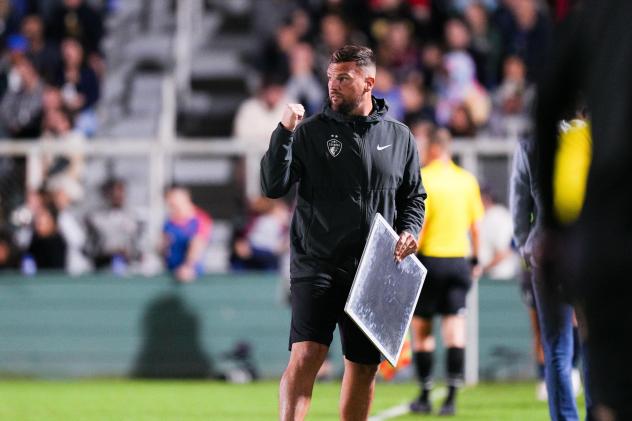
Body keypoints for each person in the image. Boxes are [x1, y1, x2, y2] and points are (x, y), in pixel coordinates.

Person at [261, 45, 426, 421]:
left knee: (363, 367)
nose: (333, 85)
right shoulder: (309, 133)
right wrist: (284, 132)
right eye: (331, 77)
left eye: (343, 78)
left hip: (374, 268)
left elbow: (414, 197)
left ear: (369, 81)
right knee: (306, 356)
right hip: (317, 264)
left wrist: (410, 229)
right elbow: (272, 185)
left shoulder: (400, 137)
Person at [510, 126, 592, 421]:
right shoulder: (596, 135)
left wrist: (524, 244)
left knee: (557, 345)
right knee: (592, 341)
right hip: (590, 251)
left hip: (548, 251)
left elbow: (519, 200)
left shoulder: (531, 142)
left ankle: (564, 418)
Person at [409, 127, 484, 416]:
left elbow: (420, 223)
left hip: (429, 261)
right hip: (458, 262)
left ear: (434, 149)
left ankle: (425, 395)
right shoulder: (467, 181)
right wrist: (475, 260)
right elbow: (476, 226)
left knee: (423, 331)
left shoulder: (425, 178)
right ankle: (451, 399)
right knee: (455, 331)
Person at [162, 185, 212, 283]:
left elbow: (198, 243)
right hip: (171, 272)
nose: (172, 205)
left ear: (185, 198)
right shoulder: (169, 222)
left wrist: (188, 266)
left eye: (174, 200)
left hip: (191, 276)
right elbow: (164, 246)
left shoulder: (200, 220)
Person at [479, 187, 518, 281]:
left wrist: (482, 269)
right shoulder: (482, 217)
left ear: (486, 199)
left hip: (500, 279)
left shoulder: (499, 217)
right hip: (486, 277)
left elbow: (505, 251)